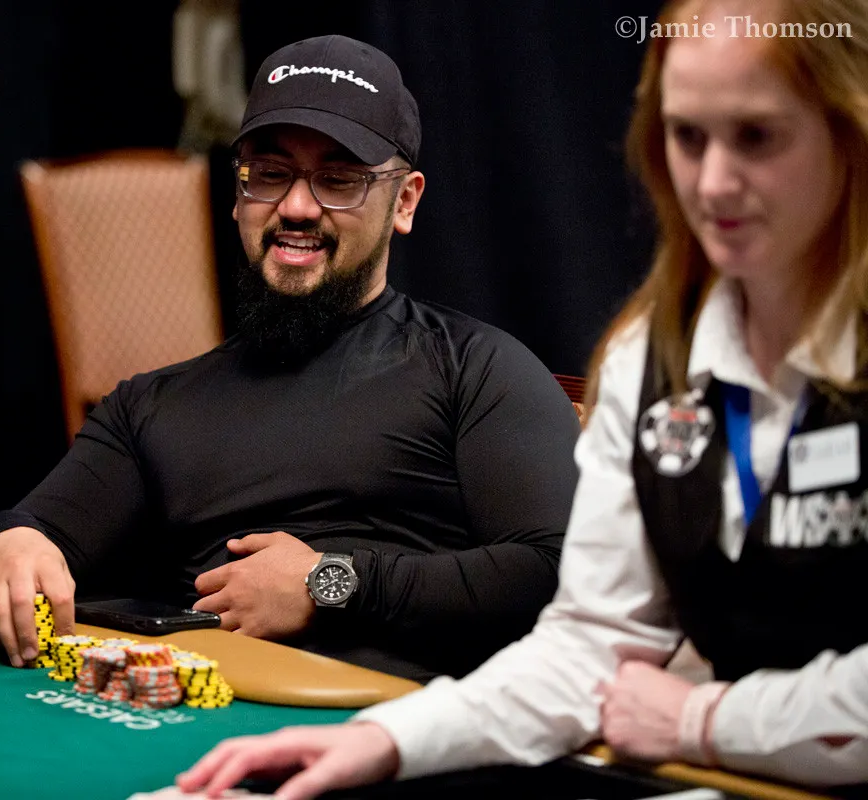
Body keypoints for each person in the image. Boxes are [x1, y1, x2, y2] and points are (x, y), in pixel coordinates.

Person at [176, 1, 868, 797]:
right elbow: (588, 650)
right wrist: (383, 740)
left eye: (757, 136)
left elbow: (544, 575)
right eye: (687, 136)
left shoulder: (475, 367)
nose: (712, 182)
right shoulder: (654, 356)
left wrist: (702, 721)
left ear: (850, 132)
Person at [0, 34, 580, 683]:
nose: (296, 207)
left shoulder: (475, 368)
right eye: (270, 173)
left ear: (404, 201)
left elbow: (559, 566)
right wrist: (5, 543)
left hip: (401, 722)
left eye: (338, 180)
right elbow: (31, 528)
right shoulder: (151, 406)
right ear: (239, 194)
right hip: (204, 720)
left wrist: (331, 583)